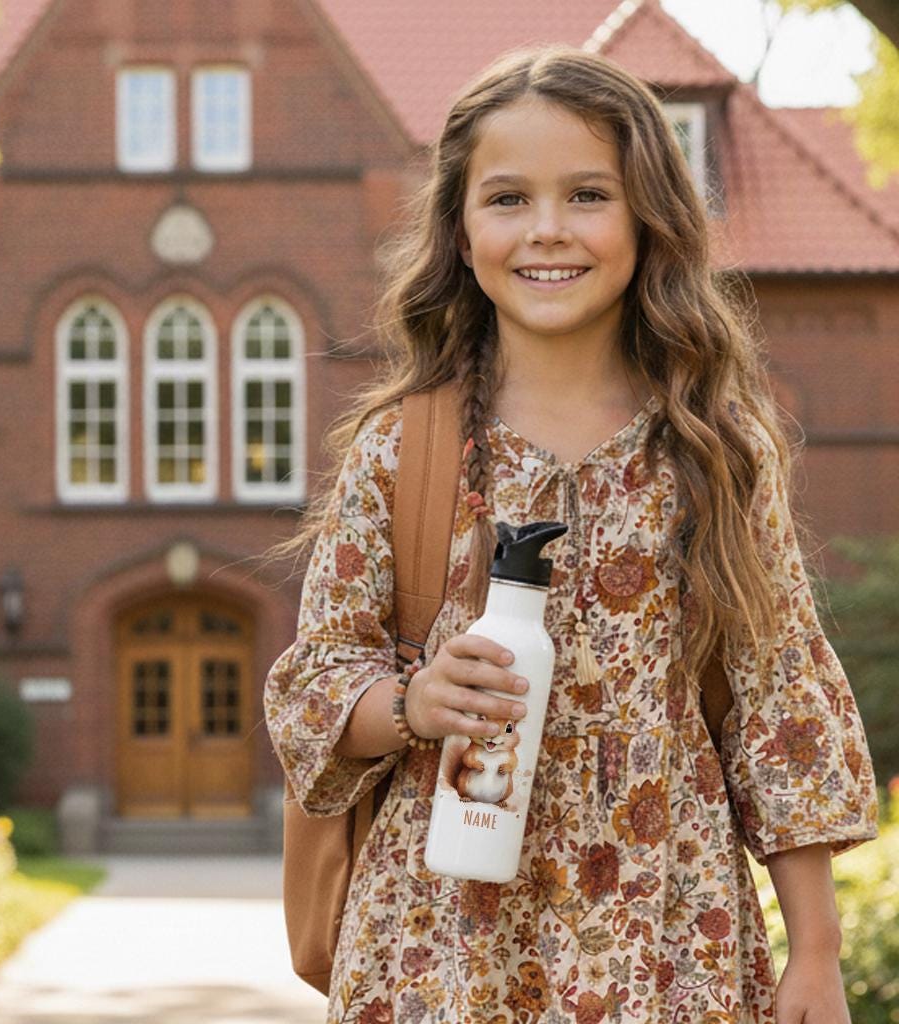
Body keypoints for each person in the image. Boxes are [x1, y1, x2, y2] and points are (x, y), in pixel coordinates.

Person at [263, 44, 878, 1024]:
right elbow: (317, 685)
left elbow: (777, 699)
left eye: (588, 194)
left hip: (669, 933)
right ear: (460, 234)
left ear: (645, 220)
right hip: (440, 945)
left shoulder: (714, 451)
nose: (547, 230)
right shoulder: (402, 449)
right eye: (507, 199)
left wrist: (815, 951)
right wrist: (416, 701)